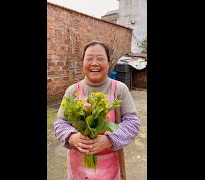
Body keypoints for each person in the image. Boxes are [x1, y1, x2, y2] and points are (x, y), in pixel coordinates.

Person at [54, 41, 140, 179]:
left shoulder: (119, 89)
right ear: (82, 63)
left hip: (109, 168)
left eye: (100, 59)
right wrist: (72, 137)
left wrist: (110, 140)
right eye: (89, 59)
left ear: (108, 62)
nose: (94, 63)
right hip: (78, 169)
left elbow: (133, 123)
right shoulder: (72, 91)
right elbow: (60, 123)